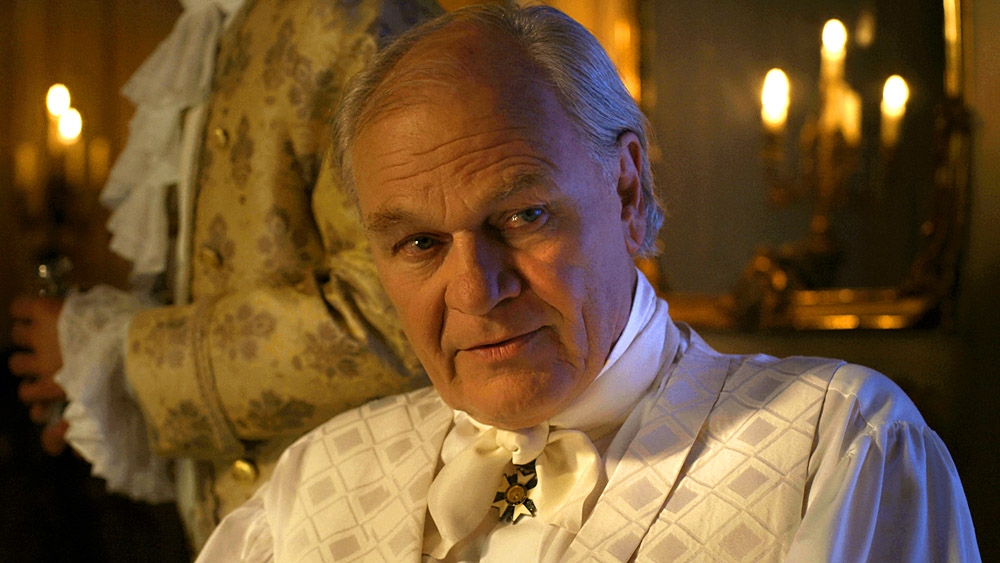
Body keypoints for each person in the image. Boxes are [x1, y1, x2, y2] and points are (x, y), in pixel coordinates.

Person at [195, 4, 980, 561]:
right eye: (421, 243)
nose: (474, 291)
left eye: (522, 215)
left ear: (628, 191)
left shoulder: (840, 447)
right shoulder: (310, 484)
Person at [9, 0, 442, 551]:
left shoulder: (356, 18)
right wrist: (98, 387)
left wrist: (123, 361)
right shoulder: (216, 27)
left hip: (348, 517)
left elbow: (401, 312)